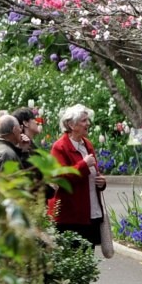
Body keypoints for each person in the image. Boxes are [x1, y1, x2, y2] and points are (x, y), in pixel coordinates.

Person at [46, 106, 109, 252]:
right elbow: (61, 178)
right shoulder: (59, 147)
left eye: (88, 120)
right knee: (74, 260)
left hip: (90, 214)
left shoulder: (87, 144)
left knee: (88, 261)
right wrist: (84, 165)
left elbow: (93, 175)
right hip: (71, 218)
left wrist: (101, 182)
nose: (88, 124)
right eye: (84, 120)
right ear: (72, 125)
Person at [0, 112, 27, 177]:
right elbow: (8, 184)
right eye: (20, 127)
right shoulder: (6, 154)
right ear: (14, 130)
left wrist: (24, 150)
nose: (21, 130)